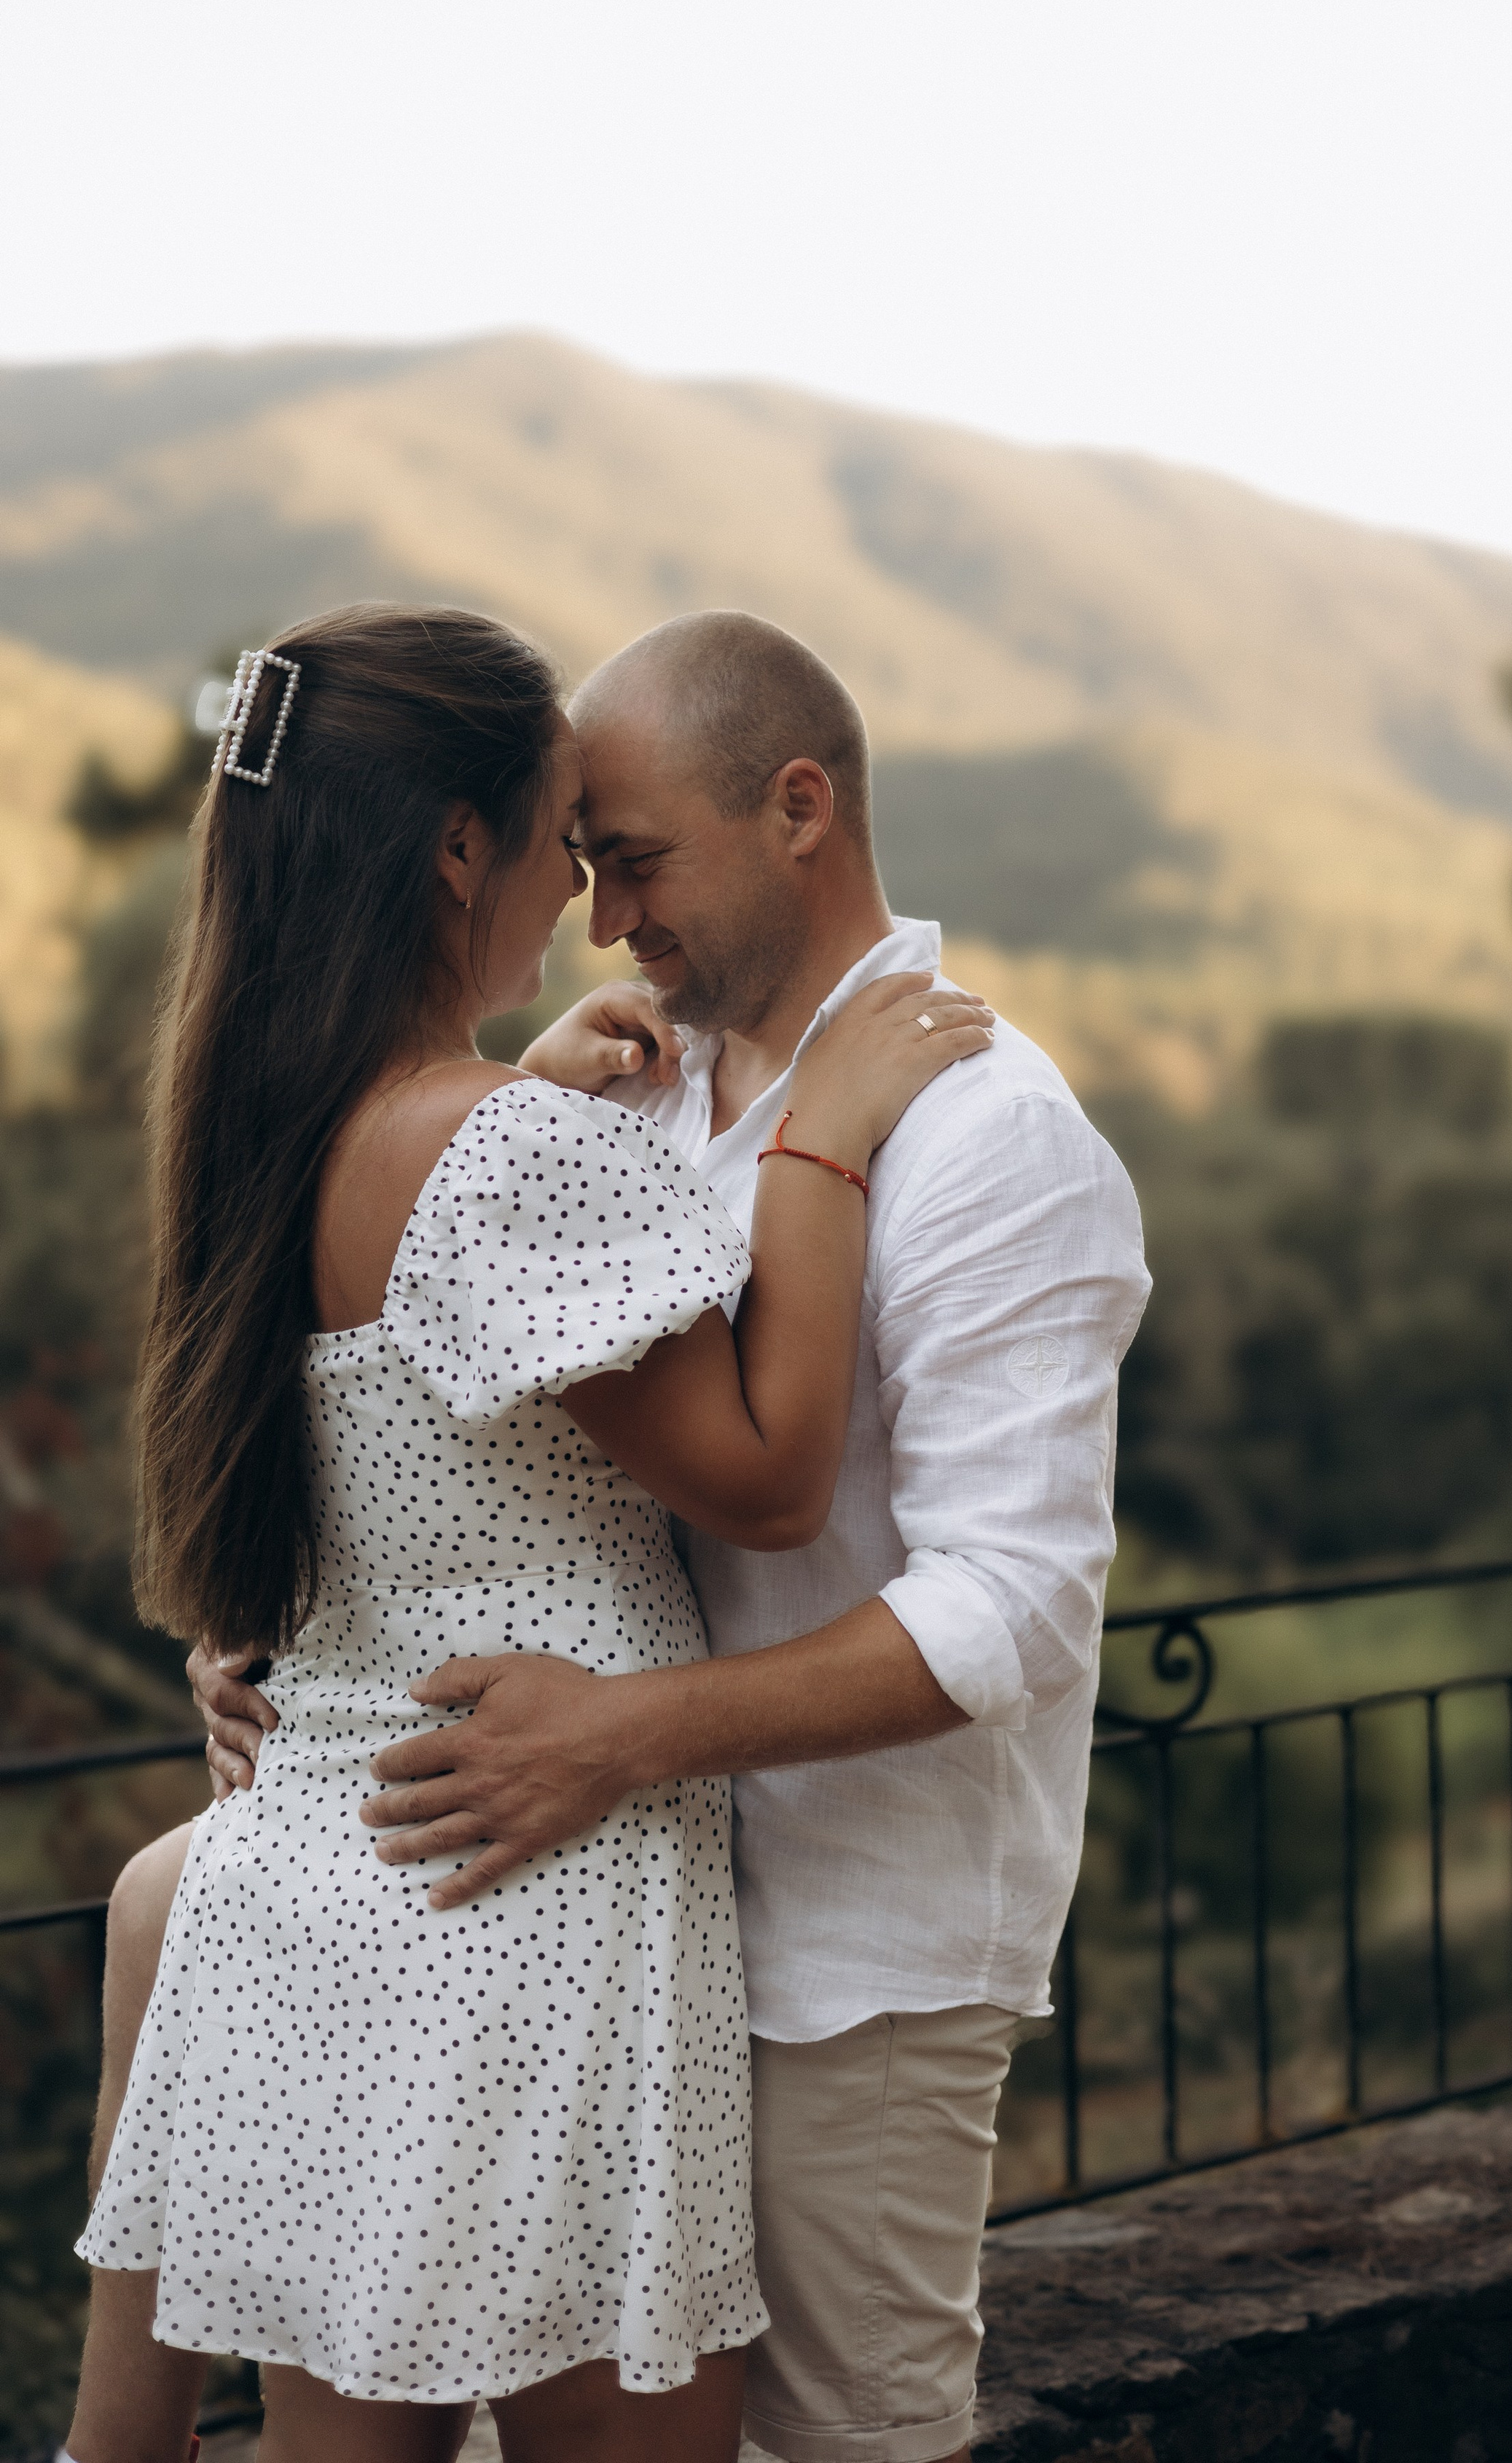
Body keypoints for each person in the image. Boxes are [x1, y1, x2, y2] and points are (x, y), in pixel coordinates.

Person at [177, 610, 1150, 2463]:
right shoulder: (620, 1091)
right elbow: (452, 1410)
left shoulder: (985, 1137)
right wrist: (301, 1646)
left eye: (633, 861)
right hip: (563, 1925)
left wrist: (618, 1740)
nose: (603, 914)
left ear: (800, 808)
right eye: (581, 856)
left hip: (843, 1961)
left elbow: (1011, 1608)